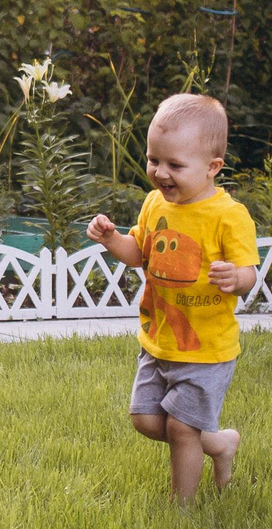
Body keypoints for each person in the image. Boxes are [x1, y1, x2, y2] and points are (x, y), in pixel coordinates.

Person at [84, 92, 259, 503]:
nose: (160, 173)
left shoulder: (228, 215)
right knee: (146, 420)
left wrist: (236, 277)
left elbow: (249, 273)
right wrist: (112, 239)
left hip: (207, 349)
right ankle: (218, 443)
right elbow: (138, 256)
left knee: (182, 429)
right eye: (153, 160)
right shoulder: (154, 204)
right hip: (159, 339)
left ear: (212, 167)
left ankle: (182, 510)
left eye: (174, 165)